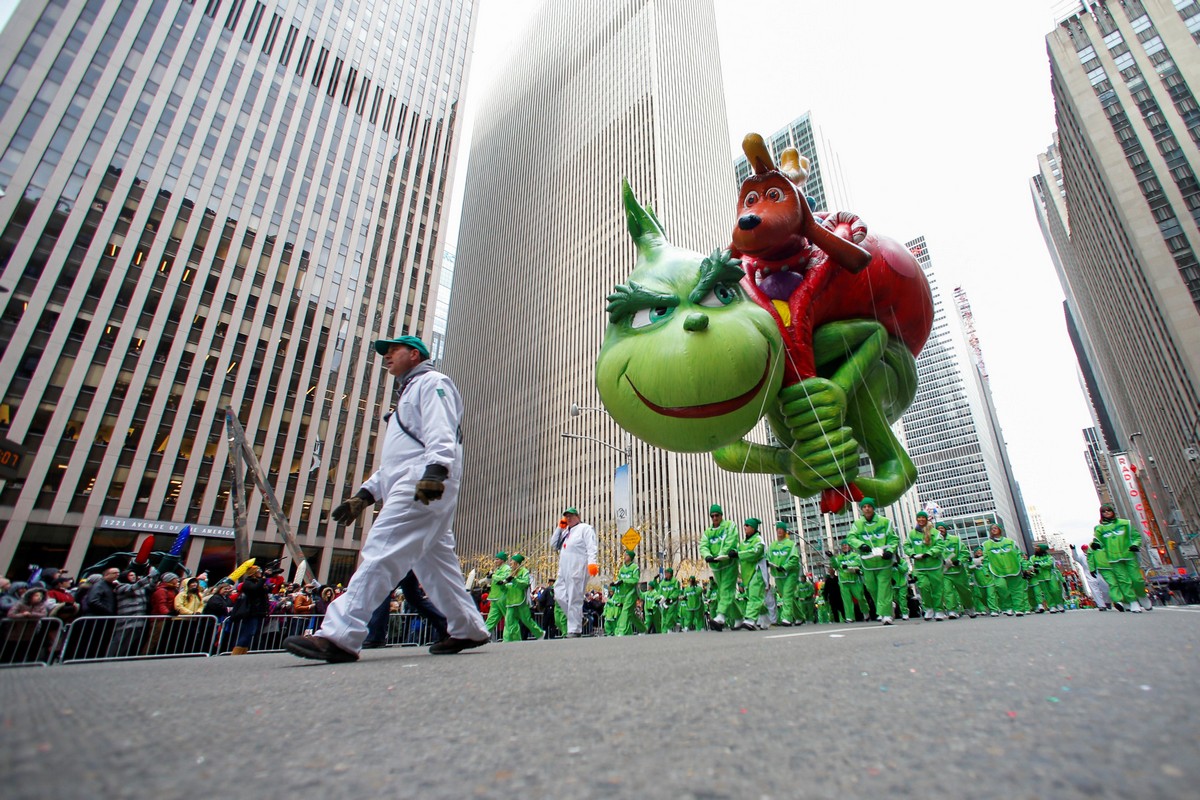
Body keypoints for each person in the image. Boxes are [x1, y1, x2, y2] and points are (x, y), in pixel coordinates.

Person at [285, 335, 487, 661]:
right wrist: (365, 495)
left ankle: (340, 634)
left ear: (415, 354)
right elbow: (395, 462)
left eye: (393, 351)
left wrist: (436, 472)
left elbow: (441, 432)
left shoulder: (433, 383)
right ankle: (467, 627)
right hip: (416, 479)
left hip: (425, 481)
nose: (387, 357)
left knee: (382, 547)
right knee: (436, 566)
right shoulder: (407, 396)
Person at [846, 498, 899, 624]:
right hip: (867, 563)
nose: (867, 509)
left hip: (884, 562)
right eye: (864, 507)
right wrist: (860, 545)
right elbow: (851, 537)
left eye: (869, 506)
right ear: (861, 509)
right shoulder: (857, 524)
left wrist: (890, 551)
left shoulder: (885, 522)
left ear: (873, 508)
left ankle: (885, 614)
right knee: (871, 588)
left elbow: (894, 539)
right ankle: (885, 607)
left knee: (884, 587)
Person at [552, 507, 599, 638]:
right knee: (559, 594)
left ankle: (574, 629)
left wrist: (592, 563)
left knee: (574, 598)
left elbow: (591, 547)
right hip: (563, 569)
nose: (569, 518)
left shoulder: (585, 528)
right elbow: (553, 544)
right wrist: (560, 528)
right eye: (566, 517)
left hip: (578, 567)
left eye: (571, 516)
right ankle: (579, 618)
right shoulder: (565, 531)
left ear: (578, 516)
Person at [1091, 503, 1146, 613]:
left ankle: (1142, 595)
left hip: (1128, 555)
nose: (1107, 513)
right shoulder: (1100, 529)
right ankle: (1131, 601)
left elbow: (1136, 536)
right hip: (1112, 560)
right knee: (1122, 581)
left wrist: (1135, 545)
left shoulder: (1125, 523)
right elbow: (1098, 542)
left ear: (1113, 511)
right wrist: (1096, 545)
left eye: (1108, 510)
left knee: (1137, 579)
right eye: (1104, 512)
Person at [699, 504, 740, 631]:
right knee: (725, 592)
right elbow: (703, 546)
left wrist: (722, 554)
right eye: (712, 516)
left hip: (729, 563)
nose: (715, 518)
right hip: (716, 567)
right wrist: (708, 556)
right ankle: (739, 617)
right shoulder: (707, 532)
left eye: (717, 515)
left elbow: (731, 540)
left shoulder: (730, 525)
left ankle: (720, 616)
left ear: (721, 515)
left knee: (726, 590)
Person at [908, 511, 946, 621]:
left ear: (926, 519)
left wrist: (929, 553)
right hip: (920, 567)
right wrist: (912, 554)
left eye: (923, 518)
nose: (921, 520)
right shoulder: (912, 534)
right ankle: (929, 608)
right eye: (918, 518)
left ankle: (939, 610)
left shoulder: (935, 532)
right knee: (923, 587)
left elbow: (940, 545)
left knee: (936, 589)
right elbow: (906, 545)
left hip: (934, 565)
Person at [981, 524, 1023, 616]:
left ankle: (1018, 608)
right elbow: (985, 559)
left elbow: (1018, 555)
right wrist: (985, 571)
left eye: (996, 528)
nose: (994, 530)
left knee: (1016, 590)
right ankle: (1008, 607)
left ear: (1000, 530)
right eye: (992, 529)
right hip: (997, 571)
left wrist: (1025, 567)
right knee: (1001, 587)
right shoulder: (986, 544)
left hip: (1013, 569)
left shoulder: (1010, 542)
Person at [501, 554, 544, 642]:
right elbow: (506, 587)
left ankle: (540, 633)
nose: (511, 564)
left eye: (512, 562)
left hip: (521, 600)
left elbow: (525, 583)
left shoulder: (524, 571)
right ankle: (509, 640)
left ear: (517, 563)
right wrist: (501, 585)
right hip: (510, 600)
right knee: (509, 621)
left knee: (526, 620)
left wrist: (514, 579)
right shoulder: (509, 572)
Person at [938, 524, 976, 619]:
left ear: (945, 529)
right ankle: (951, 610)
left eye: (942, 528)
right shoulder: (935, 542)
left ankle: (969, 607)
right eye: (938, 529)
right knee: (947, 591)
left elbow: (965, 552)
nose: (940, 530)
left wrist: (958, 561)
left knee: (964, 591)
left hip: (958, 571)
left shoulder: (955, 539)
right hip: (945, 572)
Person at [737, 519, 768, 630]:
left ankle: (750, 620)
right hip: (747, 575)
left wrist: (738, 554)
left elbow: (756, 552)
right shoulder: (743, 543)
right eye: (744, 525)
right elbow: (737, 554)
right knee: (754, 598)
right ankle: (764, 617)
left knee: (754, 597)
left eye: (747, 525)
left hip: (757, 571)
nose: (744, 527)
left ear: (753, 528)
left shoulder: (758, 540)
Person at [767, 522, 800, 626]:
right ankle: (799, 616)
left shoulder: (791, 544)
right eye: (778, 529)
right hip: (778, 575)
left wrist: (785, 567)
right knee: (787, 597)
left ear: (785, 531)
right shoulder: (772, 545)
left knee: (787, 594)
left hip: (790, 573)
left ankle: (786, 618)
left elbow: (795, 559)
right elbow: (767, 557)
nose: (779, 531)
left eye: (781, 529)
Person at [831, 543, 865, 623]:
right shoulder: (839, 557)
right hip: (843, 581)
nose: (844, 547)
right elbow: (835, 566)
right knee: (847, 601)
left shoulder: (855, 555)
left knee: (860, 597)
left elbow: (858, 564)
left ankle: (865, 612)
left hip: (855, 580)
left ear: (849, 547)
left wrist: (848, 565)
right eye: (843, 545)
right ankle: (849, 617)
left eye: (846, 545)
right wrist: (831, 557)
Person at [613, 550, 641, 636]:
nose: (624, 557)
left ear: (631, 557)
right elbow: (618, 579)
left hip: (631, 593)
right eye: (624, 555)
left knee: (625, 611)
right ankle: (642, 629)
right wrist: (616, 583)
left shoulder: (635, 567)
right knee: (631, 614)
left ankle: (620, 631)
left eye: (626, 555)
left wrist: (624, 581)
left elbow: (635, 580)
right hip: (623, 594)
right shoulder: (622, 568)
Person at [483, 553, 510, 639]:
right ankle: (482, 636)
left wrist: (493, 575)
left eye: (497, 559)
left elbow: (504, 578)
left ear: (502, 560)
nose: (496, 561)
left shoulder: (507, 569)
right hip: (494, 597)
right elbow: (491, 581)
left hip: (502, 596)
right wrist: (489, 577)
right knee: (491, 619)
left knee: (509, 618)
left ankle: (510, 638)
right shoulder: (497, 570)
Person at [659, 568, 682, 632]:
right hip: (664, 603)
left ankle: (669, 629)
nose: (666, 574)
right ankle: (664, 631)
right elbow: (659, 592)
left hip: (672, 602)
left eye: (667, 573)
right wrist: (659, 598)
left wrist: (671, 597)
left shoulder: (675, 581)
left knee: (670, 616)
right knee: (664, 617)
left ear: (671, 574)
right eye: (665, 573)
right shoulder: (662, 583)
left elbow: (676, 591)